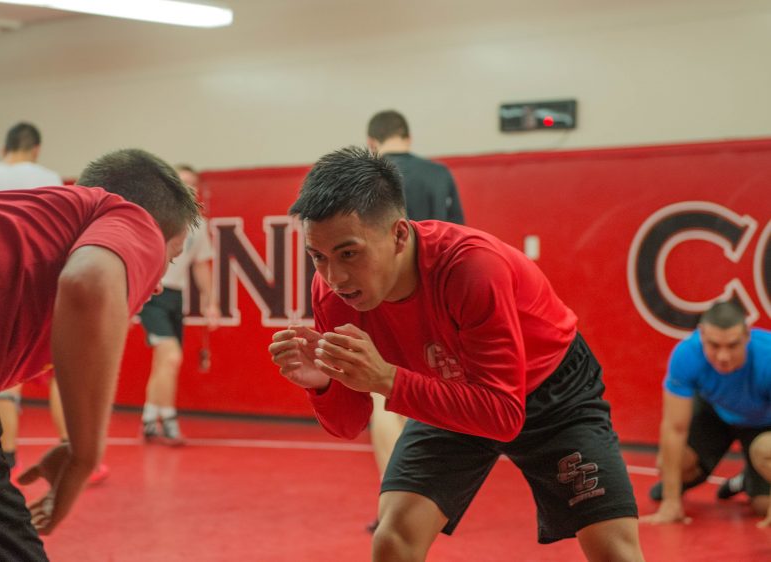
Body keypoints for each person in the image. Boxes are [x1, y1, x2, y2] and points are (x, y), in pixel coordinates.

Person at [268, 147, 643, 561]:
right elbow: (349, 421)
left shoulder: (471, 268)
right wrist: (323, 383)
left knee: (616, 552)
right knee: (393, 539)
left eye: (349, 254)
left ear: (398, 234)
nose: (334, 277)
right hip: (449, 389)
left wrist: (388, 381)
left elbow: (502, 415)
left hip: (553, 392)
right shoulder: (333, 293)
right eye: (318, 257)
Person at [0, 148, 201, 560]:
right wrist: (83, 455)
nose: (154, 286)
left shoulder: (12, 214)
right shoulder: (130, 215)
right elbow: (90, 283)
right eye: (167, 260)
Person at [0, 122, 108, 484]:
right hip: (33, 280)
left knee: (3, 374)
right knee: (59, 369)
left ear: (3, 147)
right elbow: (63, 234)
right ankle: (72, 455)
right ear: (36, 149)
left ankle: (6, 460)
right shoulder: (47, 177)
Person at [365, 110, 466, 530]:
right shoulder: (440, 175)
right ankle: (425, 500)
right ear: (407, 136)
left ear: (373, 142)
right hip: (435, 305)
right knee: (426, 398)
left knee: (384, 398)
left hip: (381, 302)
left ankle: (396, 504)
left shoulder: (367, 177)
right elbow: (459, 244)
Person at [644, 300, 771, 528]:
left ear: (746, 336)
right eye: (714, 345)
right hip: (716, 413)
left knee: (763, 502)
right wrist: (672, 502)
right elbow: (674, 428)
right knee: (670, 463)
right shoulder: (687, 354)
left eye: (732, 346)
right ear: (701, 334)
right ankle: (748, 477)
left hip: (763, 423)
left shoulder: (767, 356)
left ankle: (748, 480)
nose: (723, 356)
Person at [140, 164, 220, 443]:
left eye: (193, 184)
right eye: (182, 182)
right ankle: (169, 419)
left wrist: (210, 303)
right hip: (153, 294)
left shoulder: (198, 223)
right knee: (171, 356)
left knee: (165, 360)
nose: (188, 188)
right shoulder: (156, 216)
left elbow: (200, 265)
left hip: (176, 297)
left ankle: (150, 417)